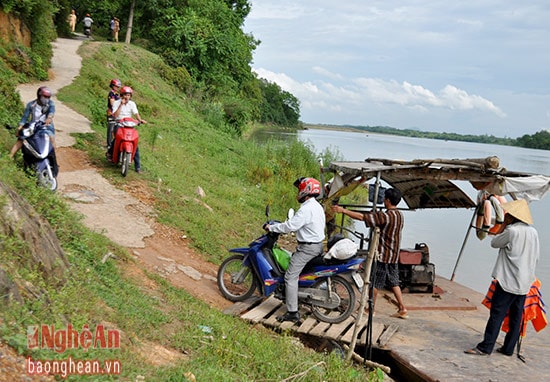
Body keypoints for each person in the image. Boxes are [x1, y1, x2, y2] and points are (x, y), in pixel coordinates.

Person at [465, 199, 539, 356]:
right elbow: (535, 257)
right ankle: (508, 348)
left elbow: (494, 242)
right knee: (516, 317)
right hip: (524, 282)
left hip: (508, 281)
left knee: (497, 314)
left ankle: (485, 347)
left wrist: (504, 224)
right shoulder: (533, 232)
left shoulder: (512, 231)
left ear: (512, 216)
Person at [331, 187, 408, 319]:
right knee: (394, 282)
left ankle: (370, 309)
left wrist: (343, 210)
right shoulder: (399, 215)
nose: (383, 201)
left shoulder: (386, 216)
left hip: (383, 255)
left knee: (375, 283)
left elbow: (362, 217)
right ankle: (402, 308)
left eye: (384, 199)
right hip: (394, 255)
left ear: (387, 200)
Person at [264, 177, 326, 322]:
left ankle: (292, 312)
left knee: (290, 277)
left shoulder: (306, 209)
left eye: (299, 189)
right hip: (317, 246)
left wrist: (272, 227)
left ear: (306, 190)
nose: (298, 192)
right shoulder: (317, 206)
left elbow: (290, 226)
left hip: (308, 248)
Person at [9, 86, 56, 159]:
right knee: (22, 138)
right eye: (45, 97)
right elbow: (25, 117)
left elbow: (51, 112)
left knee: (51, 138)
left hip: (46, 125)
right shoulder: (31, 105)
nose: (46, 99)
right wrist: (20, 127)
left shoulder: (50, 104)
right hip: (33, 125)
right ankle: (10, 156)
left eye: (48, 97)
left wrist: (49, 118)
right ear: (39, 95)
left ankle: (53, 158)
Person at [111, 86, 147, 173]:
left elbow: (136, 113)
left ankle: (137, 167)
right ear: (121, 95)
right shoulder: (116, 103)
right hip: (119, 124)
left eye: (128, 95)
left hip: (128, 125)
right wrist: (121, 105)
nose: (127, 97)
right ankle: (110, 152)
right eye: (125, 95)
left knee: (135, 143)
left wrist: (139, 120)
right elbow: (115, 115)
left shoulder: (132, 104)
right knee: (117, 139)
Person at [106, 79, 121, 157]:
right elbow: (112, 103)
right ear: (112, 85)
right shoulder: (111, 93)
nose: (117, 87)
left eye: (118, 86)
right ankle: (109, 145)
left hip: (116, 114)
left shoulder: (117, 94)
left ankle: (114, 146)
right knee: (110, 129)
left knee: (116, 130)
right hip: (111, 113)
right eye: (116, 86)